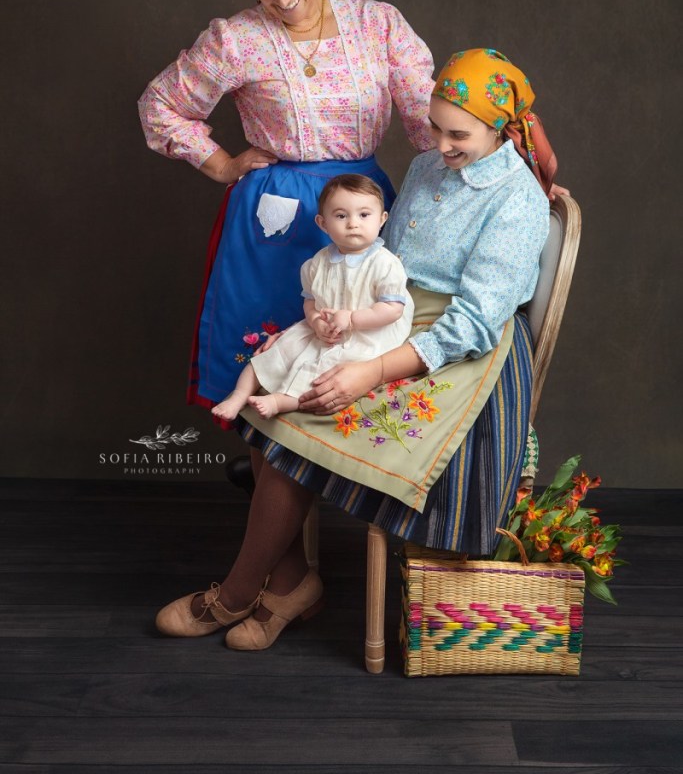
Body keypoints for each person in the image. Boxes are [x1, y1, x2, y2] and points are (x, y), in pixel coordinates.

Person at [155, 47, 557, 652]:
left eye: (458, 135)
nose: (440, 145)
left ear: (499, 126)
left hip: (459, 347)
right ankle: (289, 584)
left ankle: (237, 594)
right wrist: (331, 313)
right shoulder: (425, 166)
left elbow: (475, 322)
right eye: (435, 127)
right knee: (273, 390)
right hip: (389, 313)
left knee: (305, 410)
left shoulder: (517, 198)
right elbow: (382, 260)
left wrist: (372, 369)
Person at [138, 0, 434, 420]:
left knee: (354, 355)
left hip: (360, 205)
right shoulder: (238, 39)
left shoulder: (377, 23)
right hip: (274, 217)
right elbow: (160, 105)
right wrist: (222, 164)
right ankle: (265, 459)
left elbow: (428, 117)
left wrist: (507, 167)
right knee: (273, 355)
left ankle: (333, 465)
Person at [211, 174, 414, 422]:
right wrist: (316, 321)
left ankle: (281, 401)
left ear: (381, 219)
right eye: (341, 216)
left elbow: (393, 309)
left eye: (364, 215)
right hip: (323, 328)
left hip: (366, 332)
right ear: (323, 223)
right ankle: (238, 395)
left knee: (324, 369)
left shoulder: (385, 264)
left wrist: (352, 319)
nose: (353, 224)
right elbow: (310, 301)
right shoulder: (317, 263)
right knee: (277, 352)